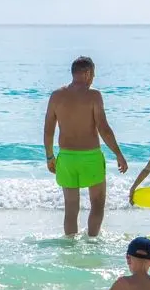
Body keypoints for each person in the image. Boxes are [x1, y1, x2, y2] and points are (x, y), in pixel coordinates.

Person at [44, 56, 128, 237]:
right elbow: (103, 129)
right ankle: (92, 241)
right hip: (90, 157)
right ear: (87, 73)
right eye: (93, 74)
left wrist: (50, 156)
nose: (94, 78)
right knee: (97, 204)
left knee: (71, 208)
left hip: (66, 158)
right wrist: (118, 154)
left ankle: (70, 245)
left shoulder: (56, 96)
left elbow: (48, 130)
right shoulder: (93, 95)